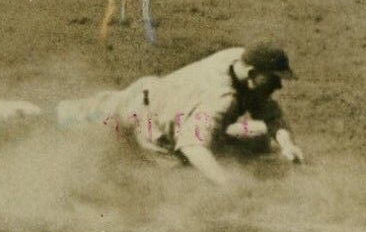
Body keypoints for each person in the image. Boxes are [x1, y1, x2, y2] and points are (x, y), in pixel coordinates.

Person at [55, 44, 305, 186]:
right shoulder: (220, 100)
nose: (278, 86)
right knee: (182, 182)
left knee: (80, 114)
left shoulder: (238, 58)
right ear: (252, 74)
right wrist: (227, 184)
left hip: (153, 95)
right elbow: (193, 148)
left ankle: (47, 115)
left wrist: (287, 143)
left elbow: (269, 111)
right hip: (150, 131)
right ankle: (34, 119)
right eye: (273, 79)